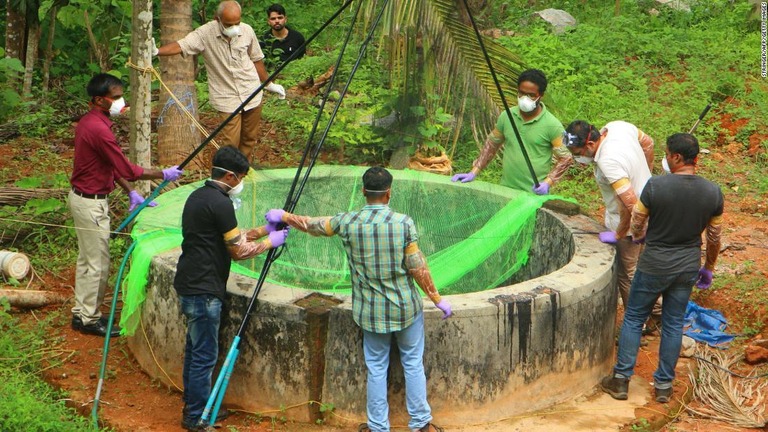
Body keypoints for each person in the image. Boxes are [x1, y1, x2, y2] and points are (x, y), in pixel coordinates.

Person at [264, 167, 452, 432]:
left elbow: (312, 225)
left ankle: (378, 427)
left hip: (370, 313)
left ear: (364, 192)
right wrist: (437, 298)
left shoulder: (347, 222)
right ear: (389, 193)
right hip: (405, 309)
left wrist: (283, 216)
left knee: (376, 367)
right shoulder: (403, 223)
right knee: (412, 363)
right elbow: (416, 266)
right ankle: (421, 424)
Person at [600, 133, 723, 403]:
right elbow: (714, 236)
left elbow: (638, 220)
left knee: (633, 317)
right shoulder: (713, 192)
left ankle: (621, 380)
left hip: (655, 262)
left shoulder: (655, 186)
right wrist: (708, 267)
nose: (665, 158)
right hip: (687, 265)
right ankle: (664, 387)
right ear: (696, 159)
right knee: (673, 323)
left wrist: (639, 236)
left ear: (677, 157)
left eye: (667, 154)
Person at [174, 146, 289, 431]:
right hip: (204, 289)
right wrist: (269, 244)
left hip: (188, 281)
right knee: (204, 354)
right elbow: (238, 251)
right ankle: (195, 417)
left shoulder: (199, 196)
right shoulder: (221, 203)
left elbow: (230, 237)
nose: (240, 184)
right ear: (229, 175)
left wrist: (265, 229)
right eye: (239, 178)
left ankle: (196, 402)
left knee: (194, 349)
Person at [69, 73, 183, 338]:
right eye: (116, 97)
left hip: (84, 198)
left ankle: (82, 312)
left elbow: (109, 166)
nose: (122, 102)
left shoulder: (92, 122)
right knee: (97, 262)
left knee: (87, 260)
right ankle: (88, 319)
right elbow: (126, 168)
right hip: (90, 203)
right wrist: (161, 174)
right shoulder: (98, 129)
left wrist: (131, 192)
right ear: (99, 100)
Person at [154, 1, 286, 162]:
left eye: (237, 23)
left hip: (251, 90)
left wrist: (269, 84)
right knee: (230, 142)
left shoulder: (246, 31)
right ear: (217, 19)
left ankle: (242, 171)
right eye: (229, 24)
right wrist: (157, 51)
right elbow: (182, 45)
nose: (234, 28)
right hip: (226, 96)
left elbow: (256, 60)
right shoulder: (205, 33)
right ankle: (227, 175)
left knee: (249, 138)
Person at [563, 119, 662, 325]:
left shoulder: (608, 160)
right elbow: (649, 143)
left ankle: (639, 322)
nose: (577, 157)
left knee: (628, 274)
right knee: (645, 265)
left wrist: (622, 233)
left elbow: (630, 205)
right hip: (651, 206)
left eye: (578, 152)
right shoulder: (617, 127)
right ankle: (657, 309)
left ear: (590, 144)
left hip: (631, 223)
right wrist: (647, 179)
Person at [451, 68, 571, 195]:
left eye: (531, 95)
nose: (525, 98)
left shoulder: (552, 125)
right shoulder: (507, 116)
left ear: (541, 95)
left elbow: (566, 158)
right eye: (522, 93)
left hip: (533, 194)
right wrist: (474, 172)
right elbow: (492, 144)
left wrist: (548, 182)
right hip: (506, 190)